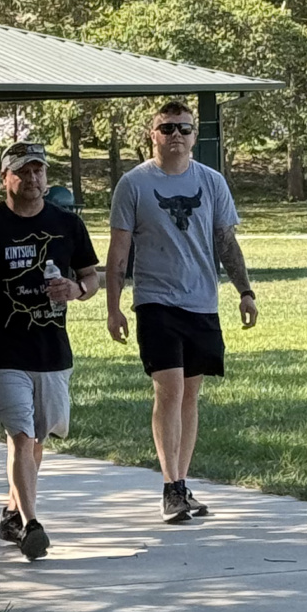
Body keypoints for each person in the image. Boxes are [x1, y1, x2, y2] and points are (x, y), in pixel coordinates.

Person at [105, 99, 255, 525]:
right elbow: (119, 252)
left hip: (201, 301)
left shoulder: (211, 181)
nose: (176, 136)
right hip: (155, 301)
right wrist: (114, 308)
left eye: (184, 129)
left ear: (194, 136)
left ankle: (182, 482)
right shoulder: (134, 184)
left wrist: (245, 291)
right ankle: (170, 486)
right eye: (168, 128)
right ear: (152, 135)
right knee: (168, 389)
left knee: (190, 394)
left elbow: (226, 241)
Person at [0, 142, 101, 561]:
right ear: (5, 178)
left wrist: (76, 289)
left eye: (39, 171)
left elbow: (92, 277)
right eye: (22, 172)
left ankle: (12, 511)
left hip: (52, 350)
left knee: (37, 437)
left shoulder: (67, 224)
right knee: (20, 435)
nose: (32, 178)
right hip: (3, 351)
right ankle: (31, 524)